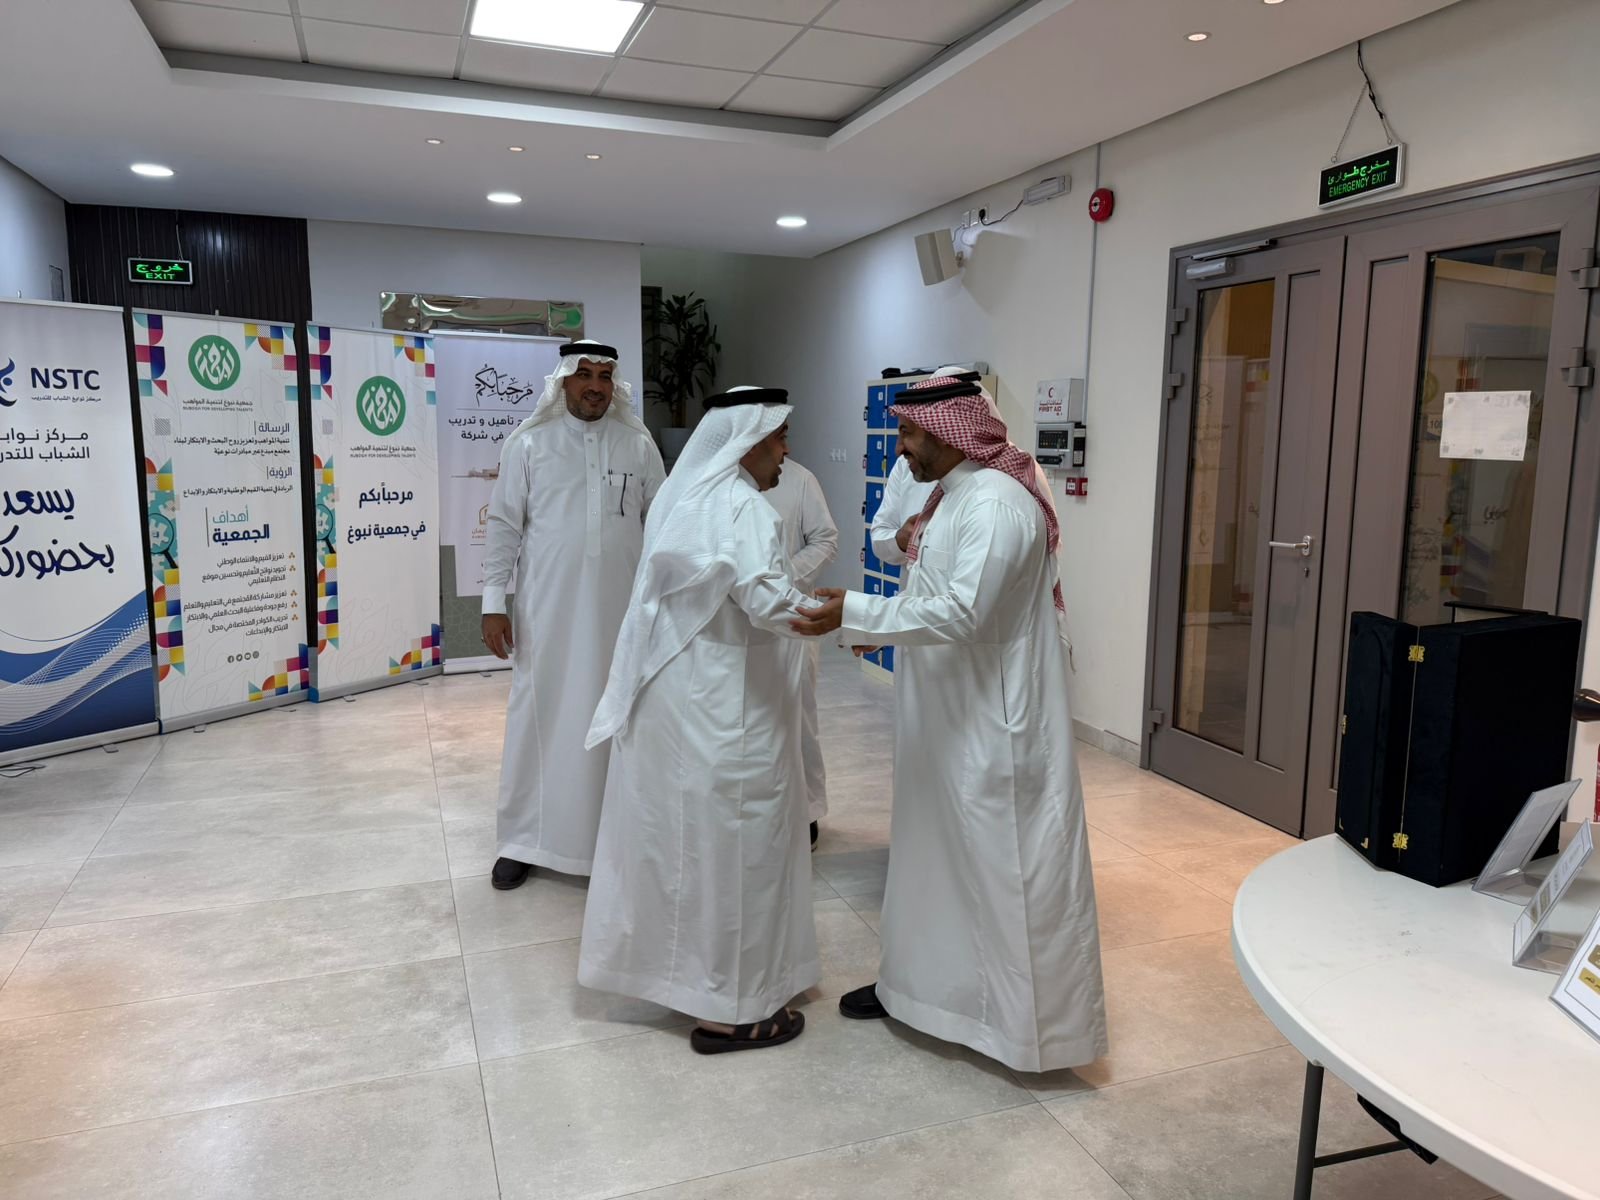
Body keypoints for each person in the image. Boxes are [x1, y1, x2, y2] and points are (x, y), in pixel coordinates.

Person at [791, 374, 1107, 1074]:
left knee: (1001, 872)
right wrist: (881, 628)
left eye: (909, 433)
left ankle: (1019, 1030)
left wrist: (859, 613)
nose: (901, 446)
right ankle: (921, 992)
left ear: (948, 432)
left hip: (992, 725)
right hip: (945, 719)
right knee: (935, 860)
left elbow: (967, 612)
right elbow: (932, 594)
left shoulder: (996, 503)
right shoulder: (951, 497)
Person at [579, 386, 820, 1055]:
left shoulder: (685, 497)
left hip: (681, 701)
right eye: (779, 437)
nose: (786, 452)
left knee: (686, 848)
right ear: (748, 441)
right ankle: (733, 1011)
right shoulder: (743, 507)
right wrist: (850, 616)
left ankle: (693, 981)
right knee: (736, 849)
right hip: (727, 706)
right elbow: (769, 604)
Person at [480, 340, 664, 891]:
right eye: (584, 375)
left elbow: (662, 526)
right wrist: (492, 603)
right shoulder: (529, 443)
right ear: (562, 382)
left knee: (621, 715)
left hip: (621, 614)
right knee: (539, 716)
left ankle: (618, 838)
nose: (595, 387)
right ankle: (524, 840)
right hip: (548, 612)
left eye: (605, 377)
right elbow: (504, 524)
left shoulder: (638, 444)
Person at [763, 454, 839, 848]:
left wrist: (781, 578)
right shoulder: (716, 478)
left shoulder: (800, 478)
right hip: (731, 624)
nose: (783, 444)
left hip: (792, 619)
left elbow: (825, 538)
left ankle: (807, 809)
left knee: (799, 716)